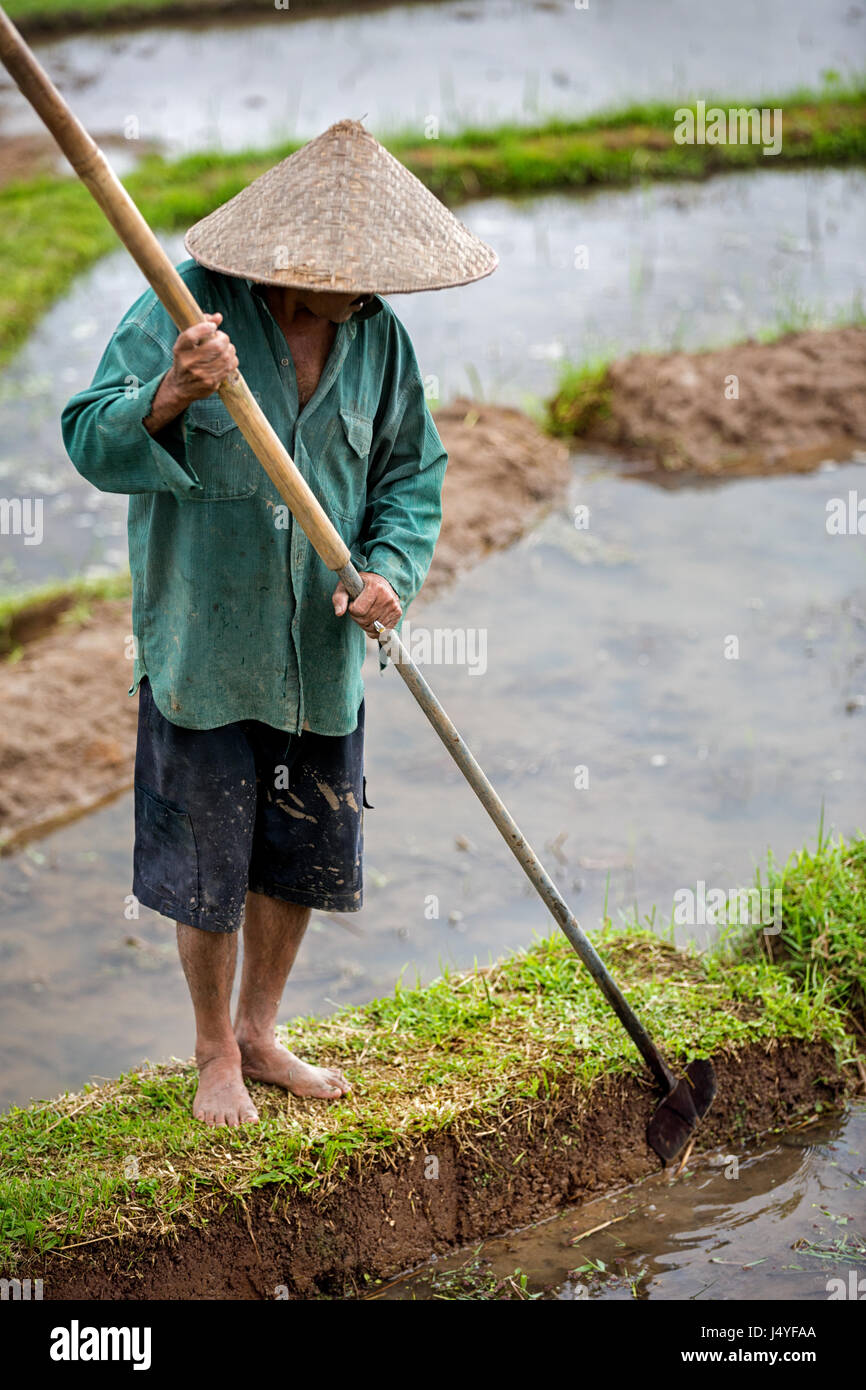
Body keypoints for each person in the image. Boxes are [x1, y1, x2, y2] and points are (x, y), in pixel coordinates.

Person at [62, 119, 496, 1127]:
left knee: (296, 849)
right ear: (281, 262)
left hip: (317, 649)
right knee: (208, 865)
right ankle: (212, 1048)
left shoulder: (378, 338)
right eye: (340, 278)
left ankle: (260, 1031)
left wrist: (389, 573)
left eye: (370, 280)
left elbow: (409, 476)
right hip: (204, 650)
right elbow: (88, 434)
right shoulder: (183, 311)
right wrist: (171, 390)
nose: (357, 296)